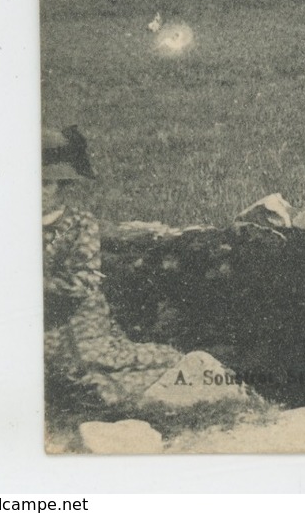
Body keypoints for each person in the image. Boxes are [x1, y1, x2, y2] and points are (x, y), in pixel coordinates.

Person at [43, 127, 183, 410]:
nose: (39, 191)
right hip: (41, 332)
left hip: (81, 328)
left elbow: (84, 281)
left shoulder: (79, 224)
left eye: (46, 184)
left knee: (158, 361)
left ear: (61, 186)